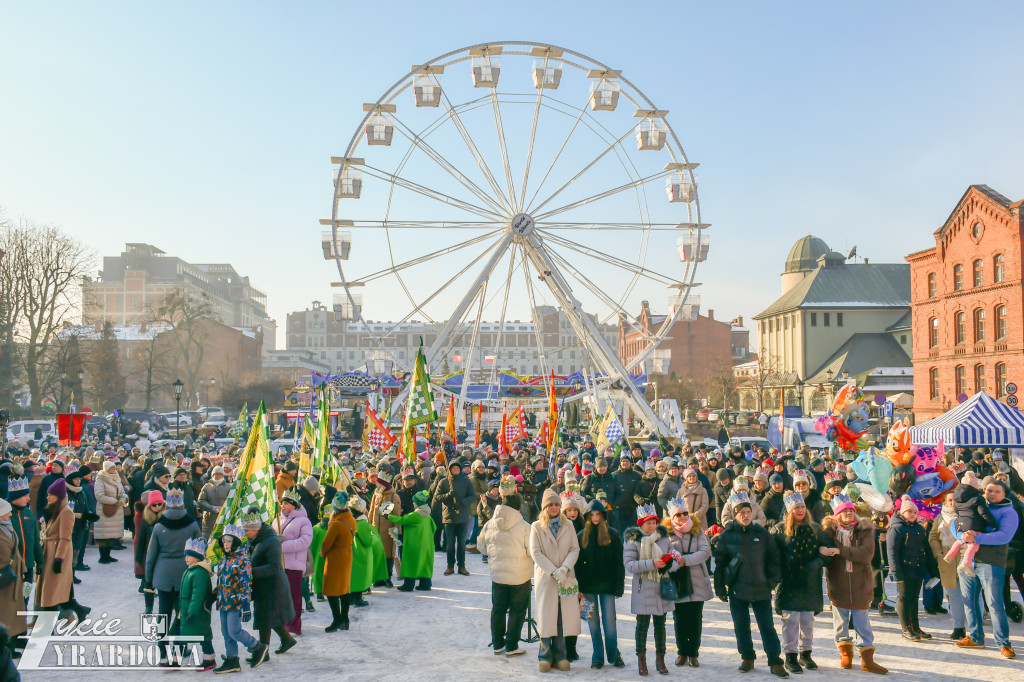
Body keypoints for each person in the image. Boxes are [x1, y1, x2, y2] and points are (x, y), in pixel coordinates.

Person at [713, 492, 787, 678]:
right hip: (737, 590)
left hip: (761, 588)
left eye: (748, 512)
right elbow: (720, 563)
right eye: (741, 513)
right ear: (735, 514)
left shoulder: (762, 533)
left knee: (767, 626)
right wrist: (720, 586)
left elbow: (774, 559)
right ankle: (747, 657)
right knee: (741, 626)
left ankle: (775, 660)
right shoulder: (727, 535)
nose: (745, 515)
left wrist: (771, 582)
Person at [953, 477, 1019, 658]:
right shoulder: (975, 502)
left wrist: (977, 537)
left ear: (1004, 494)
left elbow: (1004, 536)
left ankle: (1004, 643)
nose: (992, 494)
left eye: (997, 491)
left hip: (991, 562)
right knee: (969, 601)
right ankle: (975, 637)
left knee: (994, 604)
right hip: (968, 560)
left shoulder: (1009, 512)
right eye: (989, 490)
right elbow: (955, 522)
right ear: (983, 491)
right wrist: (960, 535)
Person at [821, 493, 887, 674]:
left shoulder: (864, 530)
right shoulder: (829, 532)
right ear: (837, 515)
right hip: (838, 582)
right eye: (844, 511)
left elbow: (865, 553)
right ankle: (845, 654)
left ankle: (867, 659)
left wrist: (840, 550)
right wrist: (822, 548)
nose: (849, 513)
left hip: (861, 583)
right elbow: (821, 547)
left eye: (851, 510)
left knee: (862, 622)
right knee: (840, 622)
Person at [770, 491, 833, 673]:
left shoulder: (815, 528)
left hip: (809, 582)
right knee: (790, 621)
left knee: (807, 620)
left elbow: (830, 550)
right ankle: (790, 656)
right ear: (790, 511)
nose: (800, 510)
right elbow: (771, 555)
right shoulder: (779, 530)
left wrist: (818, 561)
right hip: (788, 582)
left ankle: (806, 653)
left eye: (802, 507)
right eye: (796, 508)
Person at [145, 488, 201, 667]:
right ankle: (180, 647)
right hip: (185, 573)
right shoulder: (192, 525)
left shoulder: (159, 526)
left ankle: (162, 647)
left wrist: (148, 578)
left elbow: (151, 556)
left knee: (163, 612)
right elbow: (200, 550)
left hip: (163, 574)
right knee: (181, 613)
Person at [530, 487, 581, 673]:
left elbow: (574, 549)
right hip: (546, 578)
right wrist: (553, 571)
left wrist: (564, 568)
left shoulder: (568, 525)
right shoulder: (536, 526)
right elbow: (535, 552)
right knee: (546, 616)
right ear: (545, 507)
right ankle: (544, 655)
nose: (554, 507)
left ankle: (560, 655)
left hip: (565, 576)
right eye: (550, 504)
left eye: (556, 504)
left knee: (562, 616)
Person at [624, 503, 678, 676]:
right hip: (643, 589)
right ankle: (642, 659)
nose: (652, 526)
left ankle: (660, 659)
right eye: (648, 523)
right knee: (642, 626)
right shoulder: (633, 541)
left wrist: (668, 564)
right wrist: (651, 563)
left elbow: (676, 560)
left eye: (654, 522)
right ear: (641, 524)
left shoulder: (664, 539)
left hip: (661, 587)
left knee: (660, 626)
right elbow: (629, 565)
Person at [478, 490, 533, 658]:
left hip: (498, 576)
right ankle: (511, 645)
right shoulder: (524, 526)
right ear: (519, 507)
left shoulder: (490, 524)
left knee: (498, 610)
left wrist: (494, 556)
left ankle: (498, 644)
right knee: (518, 610)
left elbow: (481, 546)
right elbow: (531, 551)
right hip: (520, 576)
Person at [242, 506, 297, 657]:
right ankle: (286, 640)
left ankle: (263, 653)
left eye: (247, 530)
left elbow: (274, 566)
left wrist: (251, 572)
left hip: (272, 586)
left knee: (265, 618)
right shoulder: (254, 540)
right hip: (263, 585)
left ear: (256, 528)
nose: (245, 533)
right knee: (268, 618)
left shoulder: (270, 541)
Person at [575, 499, 624, 670]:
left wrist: (619, 585)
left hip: (608, 585)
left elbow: (619, 562)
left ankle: (614, 655)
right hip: (587, 586)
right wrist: (579, 588)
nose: (595, 518)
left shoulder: (613, 534)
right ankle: (597, 657)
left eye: (598, 514)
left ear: (603, 515)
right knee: (593, 623)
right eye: (592, 515)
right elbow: (577, 565)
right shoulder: (581, 535)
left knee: (610, 624)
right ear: (587, 516)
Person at [214, 522, 268, 672]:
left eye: (229, 541)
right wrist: (212, 596)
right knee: (226, 633)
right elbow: (221, 581)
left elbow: (245, 583)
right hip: (223, 602)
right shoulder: (224, 560)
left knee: (234, 631)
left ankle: (257, 646)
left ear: (236, 542)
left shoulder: (242, 559)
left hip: (235, 602)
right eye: (224, 541)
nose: (226, 544)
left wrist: (245, 606)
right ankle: (232, 659)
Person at [664, 495, 712, 668]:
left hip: (697, 580)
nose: (683, 516)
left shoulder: (697, 530)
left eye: (685, 513)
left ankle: (693, 653)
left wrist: (685, 560)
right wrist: (673, 562)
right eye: (679, 514)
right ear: (672, 517)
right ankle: (682, 652)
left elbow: (705, 552)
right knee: (680, 619)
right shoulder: (666, 534)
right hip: (677, 581)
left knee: (695, 618)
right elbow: (664, 555)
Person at [37, 478, 89, 620]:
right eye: (48, 495)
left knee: (51, 593)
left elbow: (65, 538)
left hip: (57, 555)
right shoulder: (53, 509)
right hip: (49, 553)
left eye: (51, 495)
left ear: (59, 497)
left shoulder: (66, 512)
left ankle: (47, 627)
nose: (48, 497)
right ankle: (80, 610)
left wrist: (59, 559)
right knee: (57, 592)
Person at [887, 495, 937, 641]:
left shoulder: (920, 529)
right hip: (904, 569)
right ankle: (906, 628)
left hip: (918, 569)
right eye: (909, 512)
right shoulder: (896, 529)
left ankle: (915, 627)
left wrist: (933, 570)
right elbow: (892, 552)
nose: (913, 515)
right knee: (904, 598)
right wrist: (896, 573)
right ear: (902, 512)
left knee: (914, 598)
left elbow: (926, 550)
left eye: (915, 512)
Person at [929, 492, 968, 640]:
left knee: (971, 596)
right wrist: (939, 553)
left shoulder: (966, 515)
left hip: (966, 559)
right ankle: (958, 627)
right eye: (950, 500)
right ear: (945, 502)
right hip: (948, 562)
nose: (952, 503)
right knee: (954, 596)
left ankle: (974, 628)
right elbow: (933, 536)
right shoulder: (940, 518)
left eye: (955, 500)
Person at [944, 471, 997, 577]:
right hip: (974, 524)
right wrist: (994, 524)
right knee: (973, 543)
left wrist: (962, 520)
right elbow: (984, 513)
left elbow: (957, 511)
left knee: (960, 540)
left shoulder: (957, 498)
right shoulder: (977, 498)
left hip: (962, 523)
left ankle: (950, 555)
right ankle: (966, 563)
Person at [277, 488, 313, 637]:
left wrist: (282, 546)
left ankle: (294, 626)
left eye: (286, 503)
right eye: (282, 503)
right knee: (282, 597)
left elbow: (305, 541)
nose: (283, 506)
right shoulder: (277, 520)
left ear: (294, 504)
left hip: (294, 565)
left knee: (294, 597)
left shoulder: (303, 521)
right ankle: (284, 624)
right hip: (280, 565)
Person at [320, 492, 357, 632]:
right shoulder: (351, 519)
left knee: (332, 590)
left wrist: (323, 554)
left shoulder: (335, 524)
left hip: (335, 558)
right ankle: (345, 619)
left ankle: (337, 620)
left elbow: (326, 544)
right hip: (347, 555)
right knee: (344, 588)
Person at [178, 537, 215, 671]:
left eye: (189, 555)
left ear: (197, 558)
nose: (186, 558)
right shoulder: (191, 570)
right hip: (186, 609)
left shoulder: (199, 573)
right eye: (186, 555)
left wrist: (192, 612)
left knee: (202, 635)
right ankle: (175, 659)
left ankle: (209, 659)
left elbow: (197, 596)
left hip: (196, 611)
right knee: (180, 634)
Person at [388, 489, 437, 592]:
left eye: (414, 502)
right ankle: (425, 584)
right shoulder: (428, 515)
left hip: (415, 544)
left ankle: (408, 585)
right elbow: (434, 528)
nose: (413, 503)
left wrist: (388, 516)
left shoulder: (416, 515)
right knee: (424, 564)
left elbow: (401, 520)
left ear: (418, 503)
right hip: (427, 545)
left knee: (411, 563)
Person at [434, 460, 476, 576]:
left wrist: (462, 503)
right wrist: (448, 495)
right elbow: (437, 497)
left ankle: (461, 566)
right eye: (453, 468)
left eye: (457, 468)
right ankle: (450, 566)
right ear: (450, 470)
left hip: (462, 516)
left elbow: (472, 496)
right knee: (450, 543)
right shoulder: (444, 482)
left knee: (461, 544)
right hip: (449, 517)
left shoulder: (466, 481)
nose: (455, 469)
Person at [347, 496, 386, 605]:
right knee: (361, 576)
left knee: (353, 576)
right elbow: (367, 540)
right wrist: (374, 537)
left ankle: (351, 597)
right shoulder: (362, 523)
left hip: (352, 552)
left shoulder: (350, 521)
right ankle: (358, 599)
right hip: (362, 554)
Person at [0, 498, 27, 651]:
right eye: (7, 512)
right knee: (5, 612)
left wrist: (22, 569)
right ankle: (6, 648)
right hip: (4, 577)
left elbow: (16, 551)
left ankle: (11, 644)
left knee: (13, 612)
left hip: (13, 576)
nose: (10, 514)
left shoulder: (7, 526)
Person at [367, 472, 401, 586]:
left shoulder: (393, 496)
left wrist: (397, 532)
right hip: (375, 530)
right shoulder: (376, 495)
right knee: (377, 555)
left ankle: (388, 577)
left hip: (388, 532)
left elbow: (396, 515)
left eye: (378, 483)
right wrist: (369, 525)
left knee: (388, 555)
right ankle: (378, 578)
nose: (376, 485)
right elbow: (371, 511)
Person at [93, 460, 128, 564]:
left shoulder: (117, 478)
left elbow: (122, 492)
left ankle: (108, 555)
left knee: (111, 535)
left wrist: (122, 500)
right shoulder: (100, 479)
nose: (114, 469)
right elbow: (99, 495)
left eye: (114, 467)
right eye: (111, 467)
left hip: (116, 510)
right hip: (105, 510)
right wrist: (114, 501)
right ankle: (103, 557)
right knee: (104, 535)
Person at [196, 466, 230, 538]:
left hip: (223, 518)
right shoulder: (206, 487)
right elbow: (201, 501)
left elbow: (231, 501)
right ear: (212, 475)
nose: (217, 476)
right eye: (215, 474)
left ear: (223, 475)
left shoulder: (228, 487)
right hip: (208, 519)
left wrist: (224, 508)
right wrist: (212, 508)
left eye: (220, 474)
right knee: (207, 538)